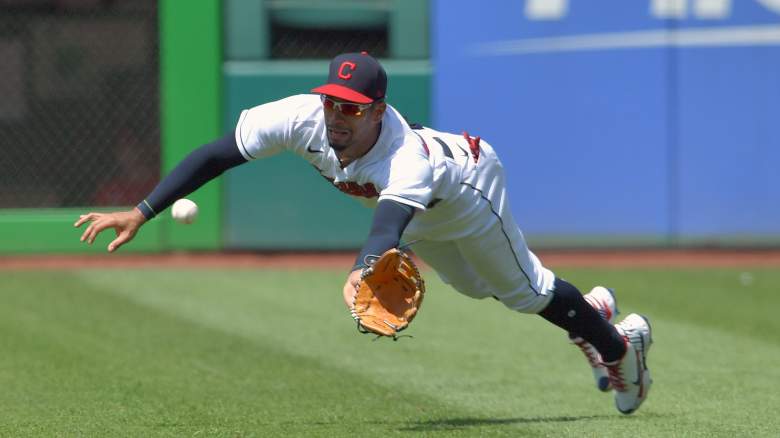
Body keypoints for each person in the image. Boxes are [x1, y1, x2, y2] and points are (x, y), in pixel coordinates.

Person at [75, 52, 653, 415]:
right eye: (333, 103)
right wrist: (142, 210)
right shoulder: (300, 116)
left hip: (467, 191)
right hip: (417, 212)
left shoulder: (407, 159)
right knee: (482, 292)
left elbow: (387, 227)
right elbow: (218, 154)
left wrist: (361, 270)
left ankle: (620, 349)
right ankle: (593, 310)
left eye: (352, 110)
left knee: (525, 291)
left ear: (379, 110)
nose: (336, 117)